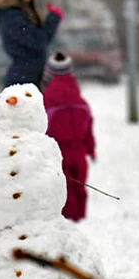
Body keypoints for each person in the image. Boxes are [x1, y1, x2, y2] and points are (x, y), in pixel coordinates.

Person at [42, 52, 95, 221]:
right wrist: (91, 150)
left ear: (49, 74)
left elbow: (42, 128)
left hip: (58, 152)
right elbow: (88, 129)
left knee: (65, 188)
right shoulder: (80, 101)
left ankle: (69, 220)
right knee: (80, 185)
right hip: (79, 151)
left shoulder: (47, 100)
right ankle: (79, 216)